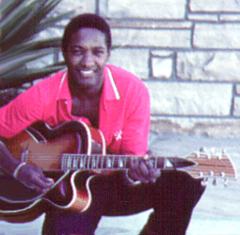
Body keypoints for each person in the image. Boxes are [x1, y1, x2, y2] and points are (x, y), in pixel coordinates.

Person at [0, 13, 205, 235]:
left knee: (185, 181)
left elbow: (131, 160)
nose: (88, 62)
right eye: (78, 51)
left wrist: (137, 173)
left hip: (113, 184)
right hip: (69, 193)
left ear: (108, 54)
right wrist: (18, 169)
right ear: (65, 53)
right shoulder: (44, 94)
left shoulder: (132, 91)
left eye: (97, 52)